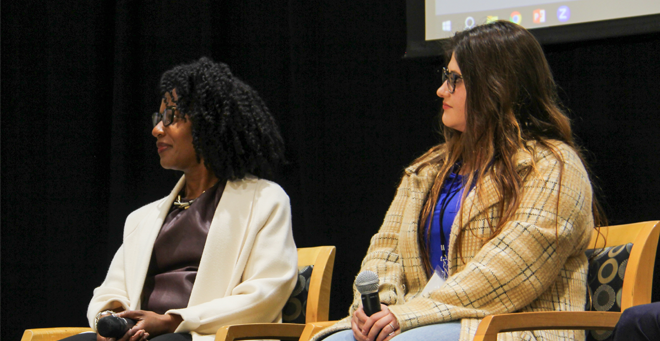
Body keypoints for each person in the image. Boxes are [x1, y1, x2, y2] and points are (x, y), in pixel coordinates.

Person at [313, 21, 605, 341]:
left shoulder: (553, 167)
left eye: (455, 80)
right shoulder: (428, 169)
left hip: (514, 328)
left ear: (496, 87)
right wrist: (380, 304)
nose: (442, 90)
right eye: (445, 76)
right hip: (426, 321)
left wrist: (408, 314)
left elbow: (506, 271)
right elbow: (387, 249)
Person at [62, 57, 298, 341]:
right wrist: (109, 321)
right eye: (157, 118)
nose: (157, 129)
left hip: (203, 335)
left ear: (208, 123)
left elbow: (265, 293)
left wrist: (173, 320)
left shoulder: (264, 201)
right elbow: (111, 290)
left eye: (170, 117)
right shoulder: (142, 218)